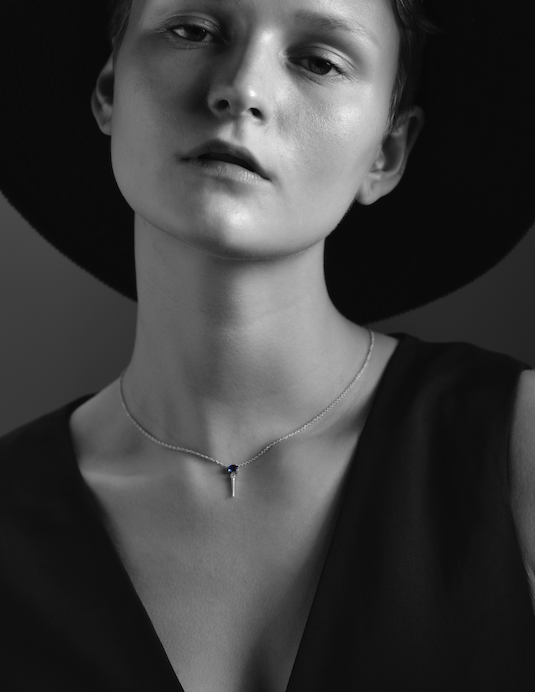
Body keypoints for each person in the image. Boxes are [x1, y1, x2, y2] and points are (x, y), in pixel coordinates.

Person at [0, 0, 535, 689]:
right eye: (192, 31)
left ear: (387, 152)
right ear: (108, 92)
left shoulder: (516, 444)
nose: (241, 89)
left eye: (318, 60)